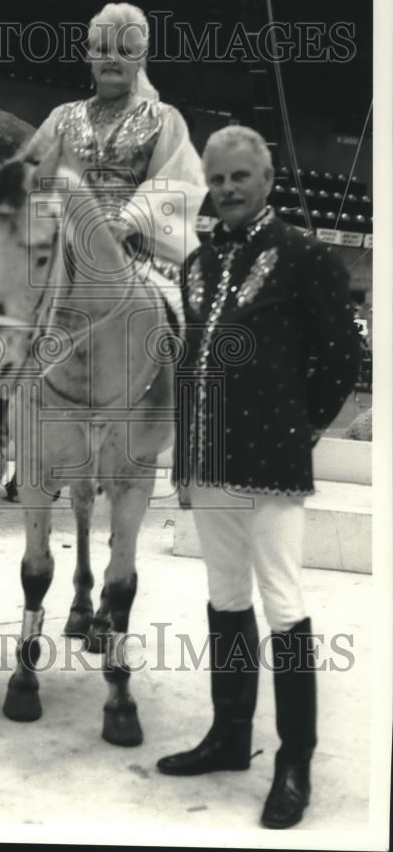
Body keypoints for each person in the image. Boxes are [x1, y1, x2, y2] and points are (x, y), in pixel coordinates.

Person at [157, 126, 362, 829]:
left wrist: (298, 426)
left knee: (283, 604)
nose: (227, 190)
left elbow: (341, 354)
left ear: (267, 178)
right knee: (224, 597)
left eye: (240, 177)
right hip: (211, 461)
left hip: (271, 467)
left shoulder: (304, 256)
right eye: (217, 180)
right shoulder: (196, 265)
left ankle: (295, 760)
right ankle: (229, 734)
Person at [0, 0, 207, 486]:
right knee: (16, 315)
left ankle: (194, 438)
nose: (111, 58)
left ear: (139, 57)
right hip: (60, 246)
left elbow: (179, 182)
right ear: (88, 56)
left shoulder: (164, 119)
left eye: (123, 49)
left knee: (186, 317)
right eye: (101, 49)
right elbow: (27, 179)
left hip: (136, 247)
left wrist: (130, 220)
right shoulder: (61, 119)